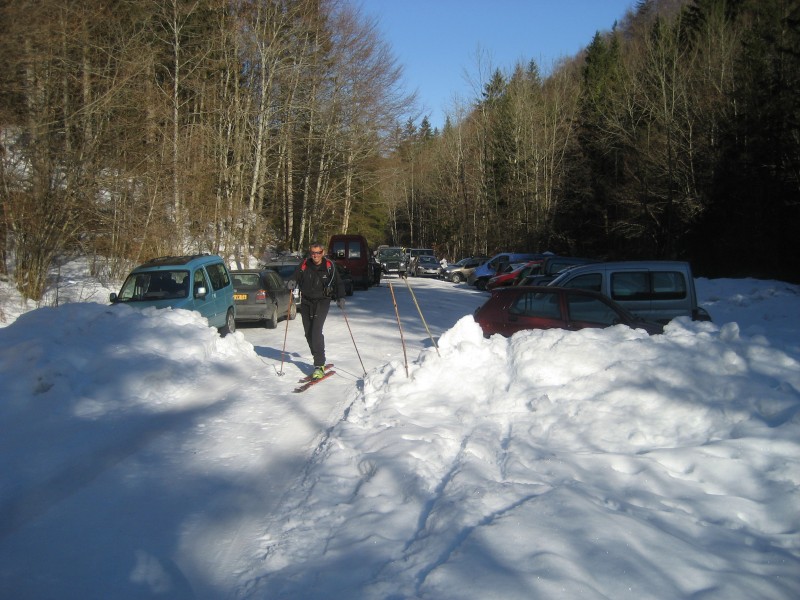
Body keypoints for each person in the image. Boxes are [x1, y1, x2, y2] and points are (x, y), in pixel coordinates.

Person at [288, 242, 346, 379]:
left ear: (323, 253)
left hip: (322, 301)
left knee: (316, 331)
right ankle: (317, 356)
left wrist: (341, 297)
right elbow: (295, 277)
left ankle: (319, 364)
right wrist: (291, 282)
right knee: (308, 333)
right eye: (313, 253)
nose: (315, 255)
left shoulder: (329, 266)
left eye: (318, 252)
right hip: (306, 301)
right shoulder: (304, 265)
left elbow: (338, 282)